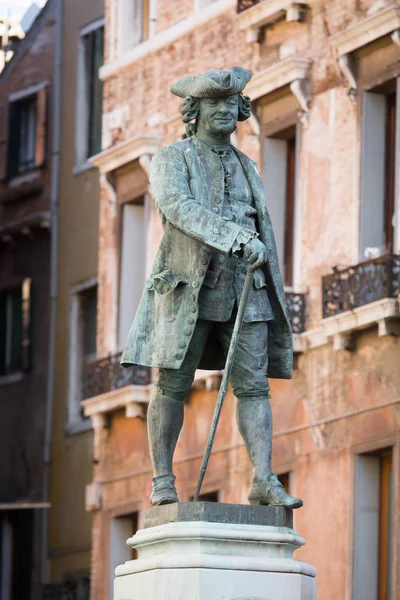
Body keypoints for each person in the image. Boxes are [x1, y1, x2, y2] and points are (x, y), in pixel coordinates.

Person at [121, 67, 302, 509]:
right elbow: (178, 207)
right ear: (195, 110)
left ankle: (263, 478)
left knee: (255, 386)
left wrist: (251, 247)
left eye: (230, 103)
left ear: (240, 110)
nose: (223, 110)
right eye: (213, 103)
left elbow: (260, 222)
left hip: (247, 286)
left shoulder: (248, 165)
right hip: (189, 289)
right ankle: (163, 479)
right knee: (172, 385)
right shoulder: (172, 157)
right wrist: (235, 237)